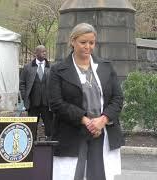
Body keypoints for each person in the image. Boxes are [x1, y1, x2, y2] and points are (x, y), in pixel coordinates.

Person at [49, 23, 124, 180]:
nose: (88, 47)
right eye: (83, 42)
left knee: (99, 174)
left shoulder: (105, 67)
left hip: (102, 131)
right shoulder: (58, 70)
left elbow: (117, 98)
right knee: (72, 175)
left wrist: (102, 120)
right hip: (72, 131)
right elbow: (56, 103)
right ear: (72, 41)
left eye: (91, 43)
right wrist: (86, 120)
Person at [19, 45, 54, 139]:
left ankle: (49, 144)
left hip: (47, 104)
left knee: (49, 126)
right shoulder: (27, 67)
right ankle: (31, 144)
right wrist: (25, 97)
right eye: (42, 52)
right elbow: (22, 83)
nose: (45, 53)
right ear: (36, 53)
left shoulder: (51, 67)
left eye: (45, 51)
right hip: (33, 103)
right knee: (31, 126)